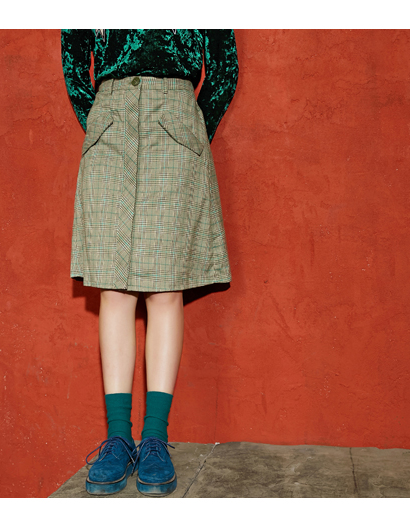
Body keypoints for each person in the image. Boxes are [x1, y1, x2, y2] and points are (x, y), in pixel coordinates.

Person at [60, 29, 238, 496]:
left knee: (165, 288)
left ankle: (155, 437)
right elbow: (75, 62)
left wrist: (188, 125)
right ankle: (118, 438)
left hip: (176, 119)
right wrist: (104, 118)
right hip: (110, 120)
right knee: (112, 287)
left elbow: (224, 67)